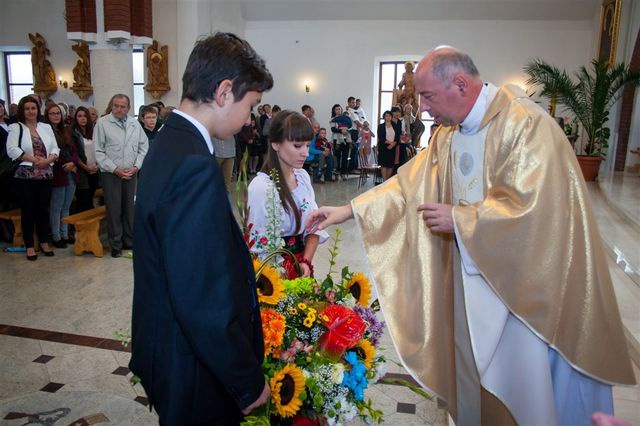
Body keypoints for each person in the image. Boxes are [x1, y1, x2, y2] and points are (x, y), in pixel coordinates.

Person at [306, 46, 636, 425]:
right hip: (471, 287)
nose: (424, 108)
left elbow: (539, 210)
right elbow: (405, 186)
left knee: (525, 393)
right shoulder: (448, 136)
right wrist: (347, 211)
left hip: (525, 298)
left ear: (460, 84)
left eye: (428, 96)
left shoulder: (525, 125)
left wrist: (462, 220)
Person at [130, 32, 273, 425]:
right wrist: (245, 383)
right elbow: (202, 298)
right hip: (192, 366)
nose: (249, 119)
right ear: (225, 92)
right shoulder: (194, 164)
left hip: (166, 347)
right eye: (251, 104)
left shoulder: (167, 141)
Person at [247, 110, 328, 276]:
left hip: (301, 263)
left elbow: (313, 227)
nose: (305, 153)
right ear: (276, 144)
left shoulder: (303, 177)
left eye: (307, 145)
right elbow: (260, 246)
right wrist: (280, 275)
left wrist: (305, 262)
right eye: (297, 146)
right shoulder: (262, 187)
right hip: (272, 273)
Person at [94, 94, 148, 258]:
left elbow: (143, 147)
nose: (118, 109)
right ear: (112, 106)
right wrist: (115, 168)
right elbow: (99, 151)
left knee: (129, 208)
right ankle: (115, 244)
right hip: (111, 173)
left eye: (122, 106)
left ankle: (129, 240)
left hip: (131, 172)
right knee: (114, 209)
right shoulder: (102, 123)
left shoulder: (134, 123)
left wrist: (136, 166)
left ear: (128, 108)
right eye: (116, 105)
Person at [6, 96, 59, 260]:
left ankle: (44, 242)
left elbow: (55, 148)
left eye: (33, 108)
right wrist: (34, 160)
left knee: (43, 210)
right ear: (22, 110)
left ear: (38, 110)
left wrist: (48, 160)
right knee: (28, 211)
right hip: (25, 175)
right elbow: (12, 149)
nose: (30, 111)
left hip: (45, 173)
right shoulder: (16, 127)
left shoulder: (45, 127)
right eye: (27, 108)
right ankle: (29, 245)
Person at [45, 104, 78, 248]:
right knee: (56, 207)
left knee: (66, 206)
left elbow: (74, 151)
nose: (56, 116)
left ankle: (65, 234)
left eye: (58, 113)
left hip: (70, 172)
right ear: (47, 115)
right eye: (52, 113)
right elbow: (50, 152)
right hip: (58, 172)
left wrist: (73, 163)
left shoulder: (66, 131)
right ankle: (56, 236)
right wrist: (66, 164)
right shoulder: (45, 132)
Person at [71, 106, 99, 212]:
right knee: (83, 200)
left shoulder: (93, 132)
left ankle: (89, 227)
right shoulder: (73, 134)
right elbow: (75, 154)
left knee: (90, 199)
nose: (83, 118)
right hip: (82, 171)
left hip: (94, 169)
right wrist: (85, 167)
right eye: (79, 116)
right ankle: (80, 227)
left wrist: (97, 166)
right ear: (76, 118)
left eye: (85, 116)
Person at [376, 110, 400, 181]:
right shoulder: (380, 126)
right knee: (384, 165)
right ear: (384, 117)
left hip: (392, 148)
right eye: (386, 116)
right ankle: (384, 181)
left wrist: (393, 144)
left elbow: (397, 137)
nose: (388, 117)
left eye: (389, 116)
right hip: (383, 147)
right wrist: (390, 143)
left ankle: (387, 181)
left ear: (391, 117)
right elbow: (381, 137)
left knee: (390, 165)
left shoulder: (395, 126)